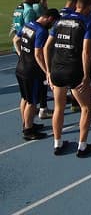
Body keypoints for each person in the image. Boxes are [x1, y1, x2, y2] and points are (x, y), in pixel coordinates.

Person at [44, 0, 91, 157]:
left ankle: (57, 143)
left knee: (58, 108)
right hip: (74, 69)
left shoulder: (60, 21)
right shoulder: (87, 22)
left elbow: (47, 47)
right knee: (86, 108)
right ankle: (82, 146)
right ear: (87, 8)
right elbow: (86, 51)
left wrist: (48, 71)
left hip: (57, 69)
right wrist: (87, 74)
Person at [13, 9, 60, 140]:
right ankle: (28, 130)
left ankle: (26, 123)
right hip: (32, 71)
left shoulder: (28, 25)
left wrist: (20, 55)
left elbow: (16, 39)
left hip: (21, 67)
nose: (52, 26)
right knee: (32, 102)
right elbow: (38, 54)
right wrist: (47, 72)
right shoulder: (41, 31)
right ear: (50, 18)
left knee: (25, 98)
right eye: (53, 22)